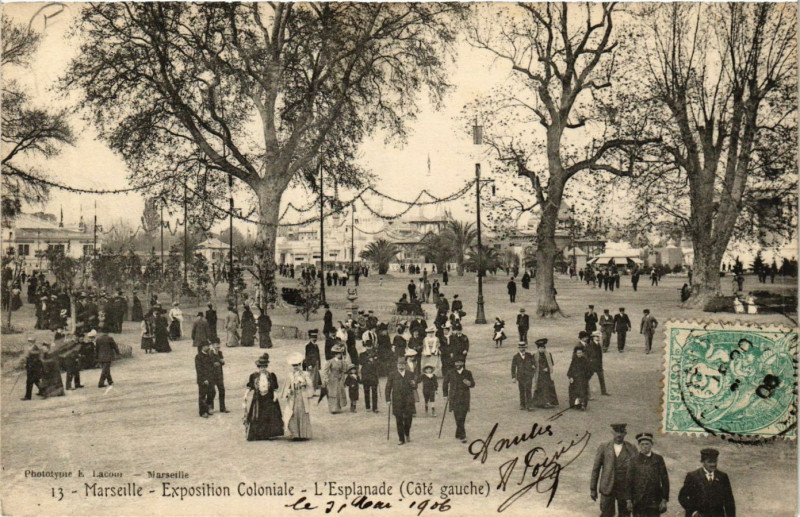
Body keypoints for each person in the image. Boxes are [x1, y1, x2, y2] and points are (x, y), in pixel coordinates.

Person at [591, 423, 638, 517]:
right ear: (612, 432)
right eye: (617, 432)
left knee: (625, 514)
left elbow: (637, 470)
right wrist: (593, 489)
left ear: (625, 433)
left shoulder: (631, 448)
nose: (619, 435)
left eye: (621, 432)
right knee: (606, 513)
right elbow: (596, 469)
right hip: (607, 486)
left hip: (625, 488)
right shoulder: (604, 447)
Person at [678, 448, 736, 517]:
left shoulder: (722, 477)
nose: (713, 464)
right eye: (710, 462)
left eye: (715, 461)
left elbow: (729, 501)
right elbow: (682, 497)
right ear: (703, 462)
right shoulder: (693, 476)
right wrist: (693, 512)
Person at [626, 433, 669, 517]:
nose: (645, 446)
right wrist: (628, 500)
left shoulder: (658, 459)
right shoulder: (633, 460)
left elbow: (665, 480)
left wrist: (664, 500)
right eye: (642, 444)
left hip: (654, 501)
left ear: (651, 445)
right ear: (638, 445)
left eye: (647, 444)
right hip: (638, 501)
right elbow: (628, 481)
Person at [244, 353, 284, 440]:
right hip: (258, 398)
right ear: (258, 367)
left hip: (268, 398)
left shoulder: (271, 375)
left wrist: (275, 395)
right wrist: (246, 394)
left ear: (266, 366)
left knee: (268, 415)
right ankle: (257, 435)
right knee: (257, 415)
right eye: (260, 367)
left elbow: (274, 388)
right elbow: (250, 386)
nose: (262, 369)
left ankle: (267, 434)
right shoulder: (254, 376)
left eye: (264, 367)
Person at [282, 353, 314, 440]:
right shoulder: (290, 375)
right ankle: (295, 434)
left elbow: (310, 384)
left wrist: (305, 383)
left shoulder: (305, 374)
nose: (295, 367)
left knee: (303, 413)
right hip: (294, 396)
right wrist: (288, 392)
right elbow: (286, 387)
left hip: (302, 395)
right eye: (294, 365)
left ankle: (304, 434)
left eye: (297, 365)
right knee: (293, 413)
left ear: (300, 365)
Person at [385, 357, 417, 445]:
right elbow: (388, 387)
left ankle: (407, 433)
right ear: (397, 365)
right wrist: (388, 399)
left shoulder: (410, 374)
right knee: (399, 419)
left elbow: (414, 386)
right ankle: (401, 439)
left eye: (403, 365)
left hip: (408, 400)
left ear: (405, 365)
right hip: (397, 400)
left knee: (408, 419)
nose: (401, 366)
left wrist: (414, 384)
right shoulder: (392, 374)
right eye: (399, 365)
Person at [443, 358, 475, 443]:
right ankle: (462, 435)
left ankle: (458, 432)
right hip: (454, 396)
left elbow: (473, 384)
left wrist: (469, 383)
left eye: (459, 362)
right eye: (456, 362)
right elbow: (445, 383)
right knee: (457, 415)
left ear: (462, 363)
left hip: (465, 396)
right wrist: (445, 395)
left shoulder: (468, 373)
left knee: (463, 415)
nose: (457, 364)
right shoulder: (450, 372)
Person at [322, 344, 349, 414]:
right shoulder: (330, 361)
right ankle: (333, 408)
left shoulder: (342, 362)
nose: (339, 355)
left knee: (339, 393)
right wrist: (326, 378)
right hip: (332, 379)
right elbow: (325, 371)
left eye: (340, 353)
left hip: (339, 379)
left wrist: (344, 363)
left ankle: (338, 407)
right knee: (332, 393)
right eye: (337, 354)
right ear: (335, 354)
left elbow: (344, 370)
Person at [531, 339, 558, 408]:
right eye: (540, 348)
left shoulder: (548, 355)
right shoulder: (534, 355)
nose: (542, 349)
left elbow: (551, 364)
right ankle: (539, 403)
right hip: (539, 375)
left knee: (548, 388)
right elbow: (532, 364)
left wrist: (548, 369)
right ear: (538, 348)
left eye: (543, 348)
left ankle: (548, 402)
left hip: (547, 375)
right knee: (540, 388)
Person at [511, 342, 536, 410]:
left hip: (528, 376)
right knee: (521, 390)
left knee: (528, 390)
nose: (522, 349)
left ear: (525, 348)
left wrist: (532, 373)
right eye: (521, 348)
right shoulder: (515, 357)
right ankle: (522, 404)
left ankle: (529, 405)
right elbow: (513, 367)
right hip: (520, 376)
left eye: (523, 348)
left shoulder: (529, 355)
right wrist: (513, 377)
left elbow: (533, 364)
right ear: (519, 348)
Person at [359, 340, 380, 413]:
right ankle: (367, 406)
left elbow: (379, 364)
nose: (369, 347)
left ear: (372, 346)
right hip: (366, 375)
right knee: (366, 391)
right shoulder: (362, 354)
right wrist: (368, 359)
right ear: (365, 346)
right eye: (367, 346)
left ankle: (375, 407)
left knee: (374, 392)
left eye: (370, 346)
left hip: (373, 375)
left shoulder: (376, 354)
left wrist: (374, 361)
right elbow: (360, 362)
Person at [567, 346, 590, 410]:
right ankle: (574, 404)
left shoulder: (585, 360)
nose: (579, 354)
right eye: (578, 353)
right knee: (573, 391)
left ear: (582, 353)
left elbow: (589, 371)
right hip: (575, 379)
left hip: (582, 379)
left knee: (583, 392)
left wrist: (586, 378)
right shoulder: (574, 360)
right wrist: (570, 377)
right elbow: (570, 370)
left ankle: (583, 405)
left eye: (580, 353)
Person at [588, 331, 610, 396]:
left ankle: (604, 392)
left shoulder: (598, 344)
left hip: (599, 365)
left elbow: (600, 356)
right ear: (593, 338)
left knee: (601, 378)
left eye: (598, 336)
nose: (598, 338)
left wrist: (600, 365)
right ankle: (586, 392)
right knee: (587, 378)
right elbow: (591, 356)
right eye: (596, 337)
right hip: (592, 365)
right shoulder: (590, 345)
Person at [195, 342, 214, 417]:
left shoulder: (208, 355)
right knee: (202, 395)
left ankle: (208, 408)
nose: (208, 347)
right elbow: (199, 370)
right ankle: (203, 412)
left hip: (210, 378)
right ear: (203, 347)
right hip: (203, 380)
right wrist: (204, 379)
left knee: (212, 393)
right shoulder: (198, 357)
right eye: (207, 346)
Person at [208, 342, 228, 413]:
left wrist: (221, 361)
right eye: (216, 344)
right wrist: (215, 363)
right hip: (212, 375)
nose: (218, 346)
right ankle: (210, 407)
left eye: (218, 344)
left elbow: (222, 362)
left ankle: (222, 408)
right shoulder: (209, 353)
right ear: (212, 345)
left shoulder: (220, 353)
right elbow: (209, 363)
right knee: (212, 392)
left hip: (219, 375)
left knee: (222, 391)